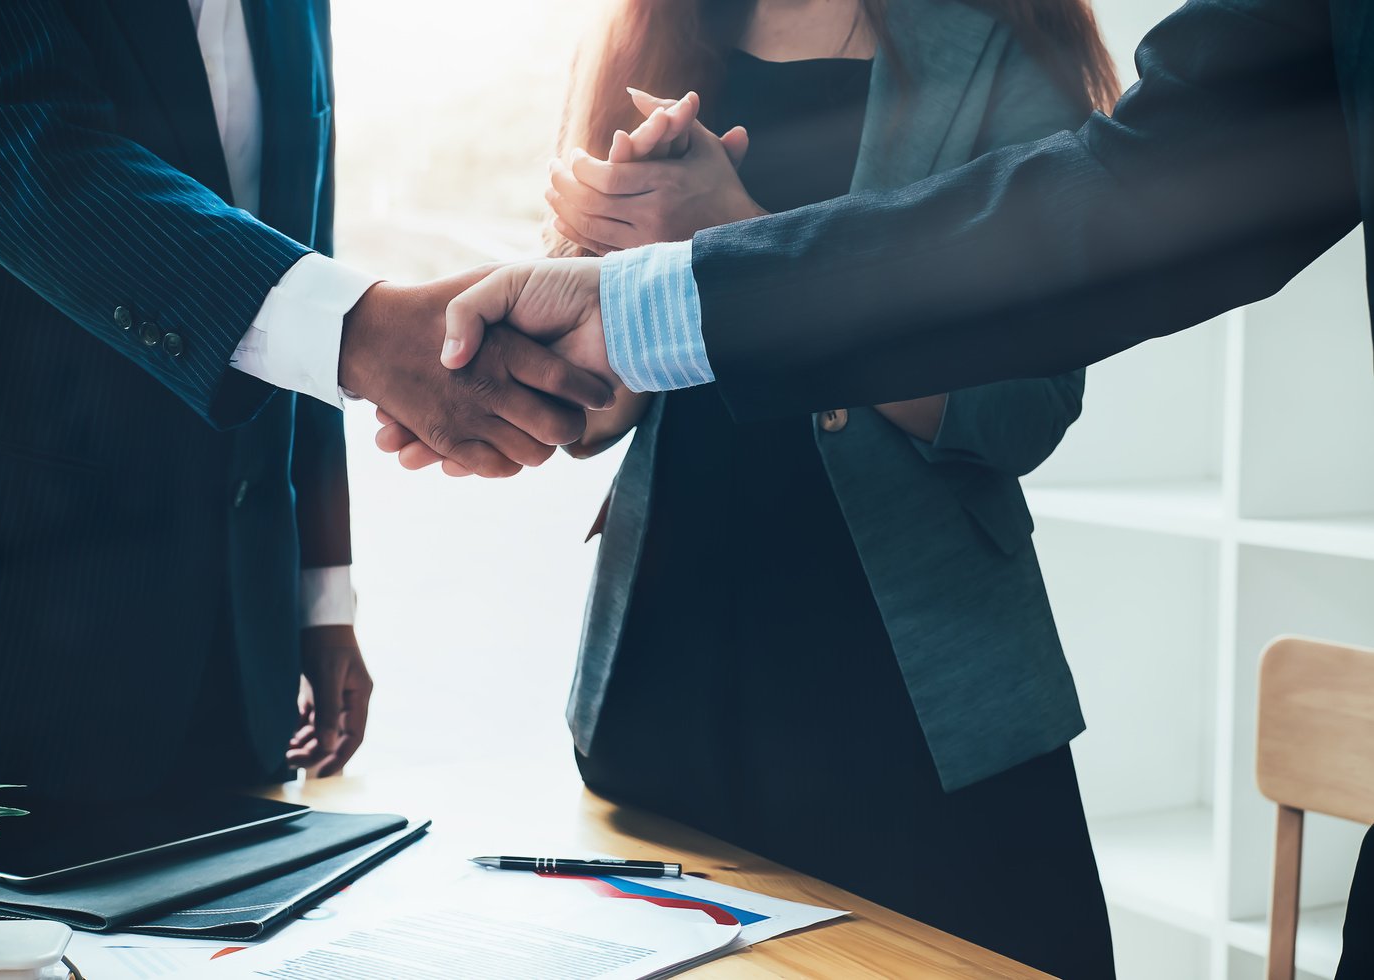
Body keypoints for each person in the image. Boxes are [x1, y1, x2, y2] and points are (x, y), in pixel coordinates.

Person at [416, 0, 1373, 974]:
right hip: (670, 680)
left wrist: (727, 234)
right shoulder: (641, 31)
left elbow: (1020, 411)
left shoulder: (1000, 41)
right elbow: (617, 378)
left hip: (915, 709)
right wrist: (528, 379)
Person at [0, 0, 612, 800]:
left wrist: (321, 596)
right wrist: (367, 333)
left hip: (237, 642)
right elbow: (18, 152)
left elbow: (298, 268)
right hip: (4, 617)